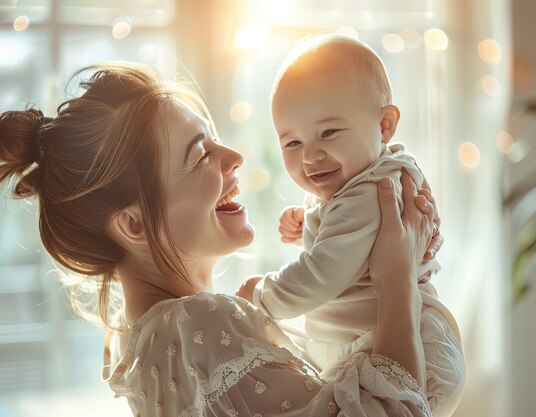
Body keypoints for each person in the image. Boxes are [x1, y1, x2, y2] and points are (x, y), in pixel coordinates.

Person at [0, 62, 443, 416]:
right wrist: (396, 277)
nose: (234, 157)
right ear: (134, 225)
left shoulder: (156, 336)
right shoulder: (199, 325)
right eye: (200, 155)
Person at [236, 35, 464, 417]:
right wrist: (309, 217)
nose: (310, 155)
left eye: (328, 132)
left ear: (384, 124)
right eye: (292, 142)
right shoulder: (364, 181)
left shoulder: (366, 196)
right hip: (371, 341)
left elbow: (322, 274)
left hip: (404, 350)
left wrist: (261, 294)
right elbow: (344, 244)